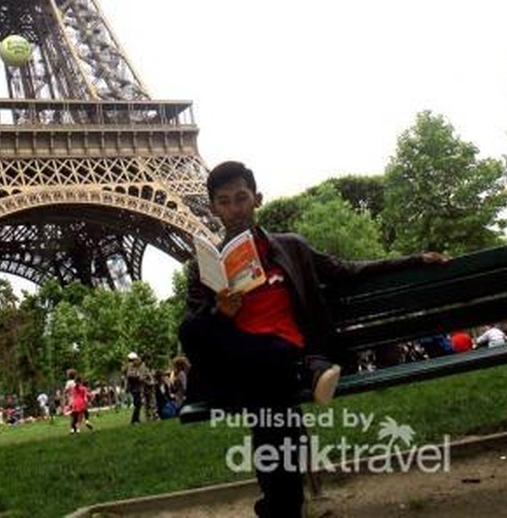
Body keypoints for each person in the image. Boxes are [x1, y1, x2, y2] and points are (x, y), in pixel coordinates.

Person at [179, 160, 447, 518]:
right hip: (248, 360)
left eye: (241, 198)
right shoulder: (206, 267)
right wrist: (220, 312)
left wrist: (414, 260)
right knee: (260, 370)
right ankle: (309, 370)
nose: (234, 209)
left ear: (257, 198)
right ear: (212, 208)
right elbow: (193, 335)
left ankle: (280, 509)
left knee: (269, 405)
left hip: (269, 364)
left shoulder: (291, 247)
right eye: (224, 201)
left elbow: (348, 270)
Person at [122, 352, 144, 424]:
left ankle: (136, 419)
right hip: (134, 387)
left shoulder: (131, 366)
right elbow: (130, 375)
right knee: (138, 403)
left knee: (138, 403)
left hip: (135, 387)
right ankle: (134, 420)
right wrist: (138, 377)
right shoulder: (130, 366)